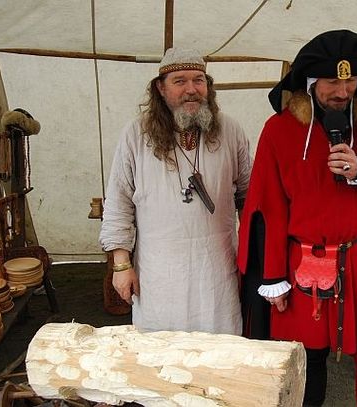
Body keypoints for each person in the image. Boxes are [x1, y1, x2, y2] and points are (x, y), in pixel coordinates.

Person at [237, 30, 357, 406]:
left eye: (350, 80)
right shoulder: (280, 130)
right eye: (332, 81)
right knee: (306, 359)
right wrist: (273, 277)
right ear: (310, 82)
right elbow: (268, 206)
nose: (342, 90)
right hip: (303, 262)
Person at [99, 47, 251, 335]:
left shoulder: (229, 130)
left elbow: (249, 195)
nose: (191, 89)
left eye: (198, 80)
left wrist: (249, 255)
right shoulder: (136, 134)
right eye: (179, 81)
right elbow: (119, 202)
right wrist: (121, 265)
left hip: (216, 270)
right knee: (161, 348)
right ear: (161, 88)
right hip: (159, 273)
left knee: (219, 346)